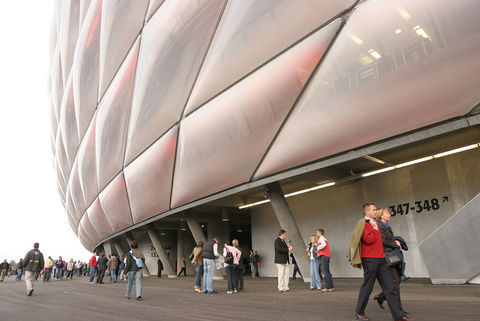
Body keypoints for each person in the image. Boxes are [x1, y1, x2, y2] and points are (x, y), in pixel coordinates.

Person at [349, 203, 412, 321]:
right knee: (367, 287)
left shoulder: (376, 224)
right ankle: (359, 312)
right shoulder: (364, 224)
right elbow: (369, 240)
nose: (376, 211)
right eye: (373, 210)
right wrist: (374, 228)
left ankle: (399, 316)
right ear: (367, 212)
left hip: (382, 260)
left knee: (390, 288)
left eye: (376, 209)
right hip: (370, 260)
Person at [373, 208, 406, 313]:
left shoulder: (387, 227)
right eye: (387, 213)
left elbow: (388, 239)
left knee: (396, 281)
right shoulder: (379, 226)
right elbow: (383, 240)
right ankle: (398, 311)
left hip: (392, 256)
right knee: (395, 283)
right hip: (387, 257)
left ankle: (381, 296)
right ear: (381, 215)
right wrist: (395, 244)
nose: (389, 215)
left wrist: (395, 240)